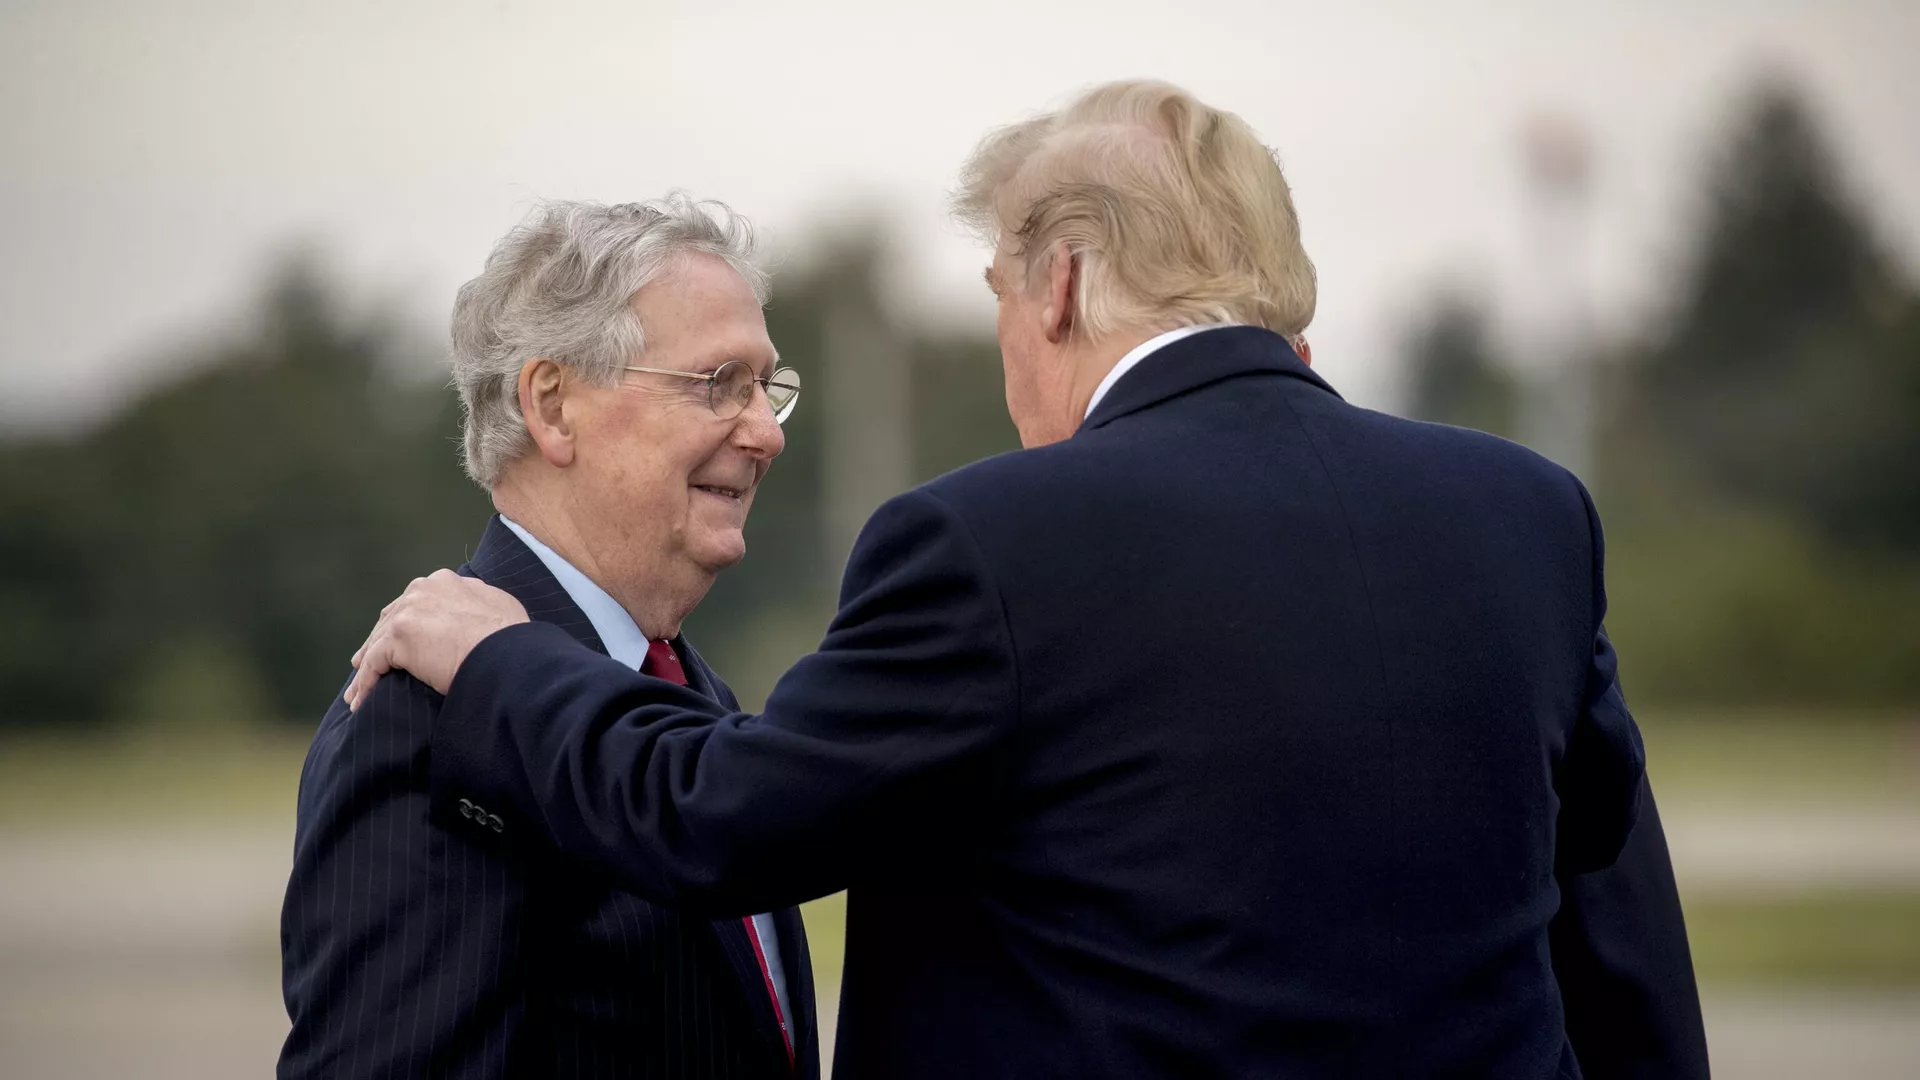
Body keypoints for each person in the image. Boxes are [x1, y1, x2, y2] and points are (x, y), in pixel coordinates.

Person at [347, 82, 1705, 1078]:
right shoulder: (1527, 516)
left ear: (1058, 285)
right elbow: (1621, 935)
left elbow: (717, 820)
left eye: (995, 287)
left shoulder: (993, 544)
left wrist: (493, 655)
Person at [280, 197, 818, 1079]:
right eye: (719, 382)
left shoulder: (687, 691)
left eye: (768, 387)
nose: (763, 432)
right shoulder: (422, 716)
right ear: (554, 406)